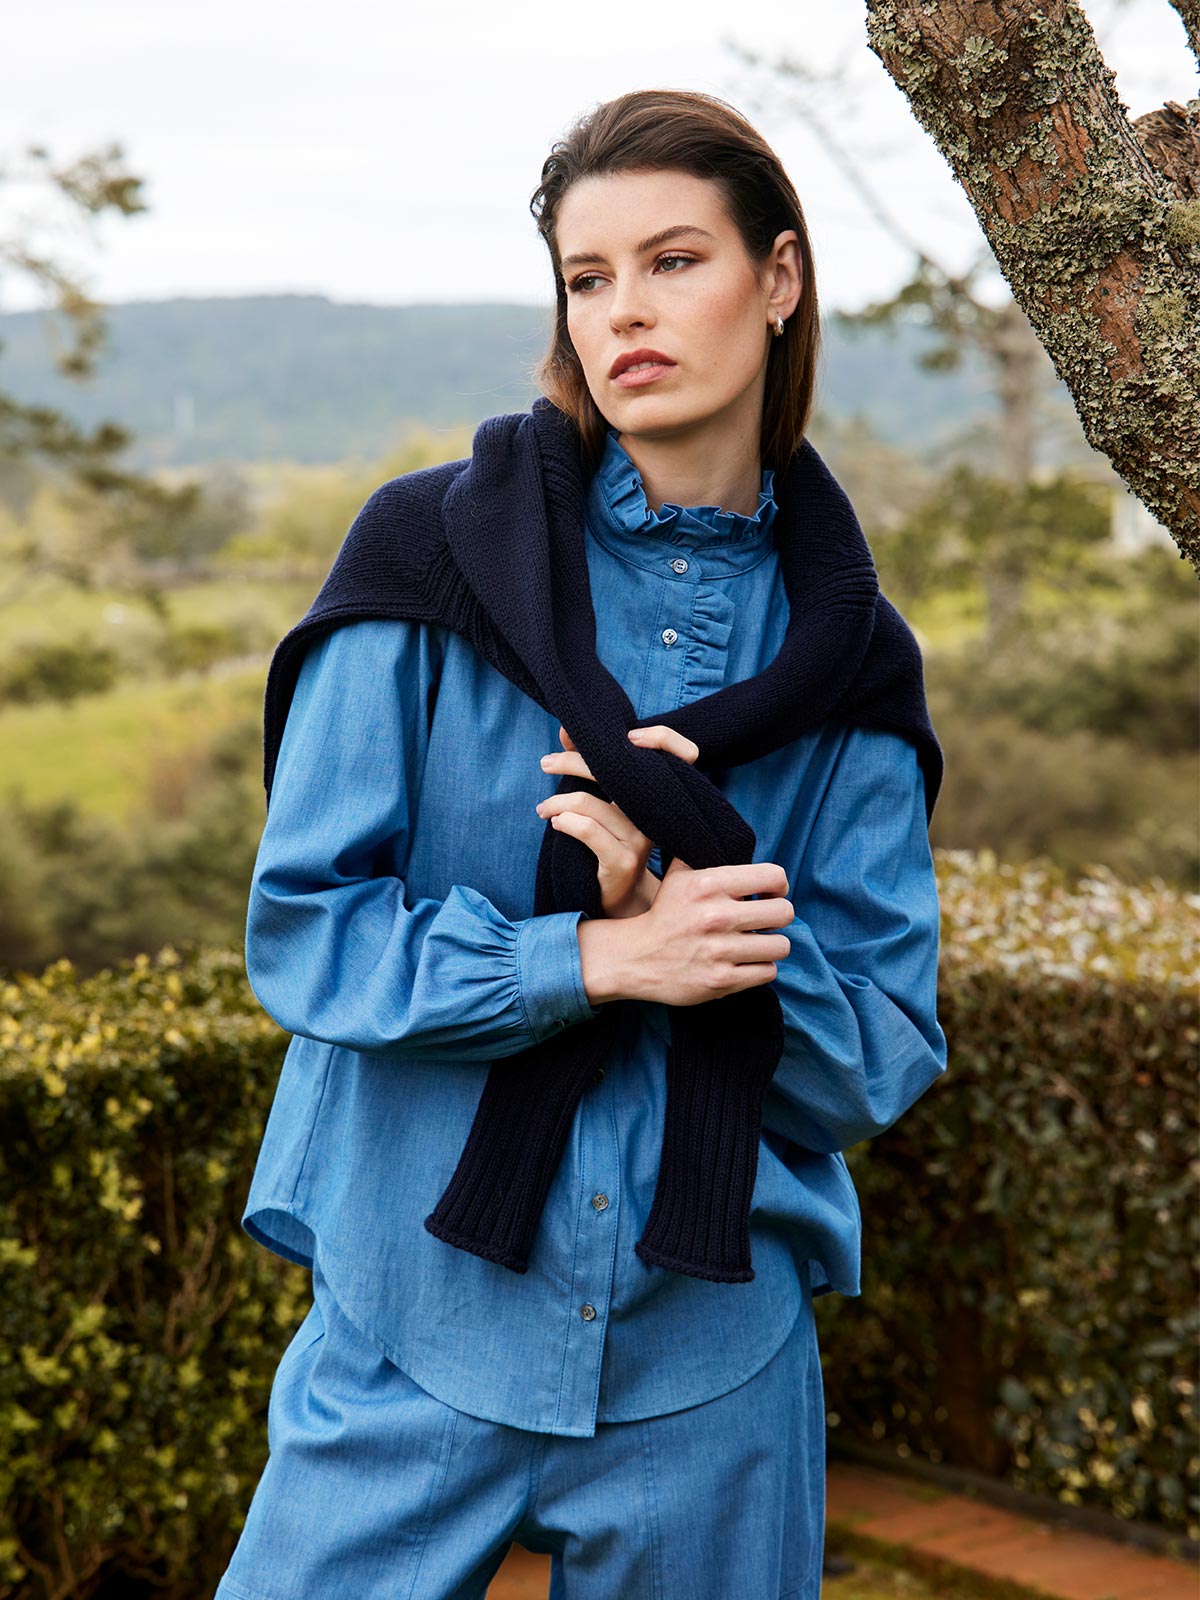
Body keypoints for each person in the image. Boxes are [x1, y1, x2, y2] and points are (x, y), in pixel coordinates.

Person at [215, 87, 947, 1600]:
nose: (626, 312)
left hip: (713, 1363)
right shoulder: (427, 558)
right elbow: (305, 935)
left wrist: (697, 914)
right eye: (588, 277)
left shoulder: (857, 660)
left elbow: (872, 1057)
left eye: (674, 261)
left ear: (781, 278)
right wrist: (593, 958)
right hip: (414, 1321)